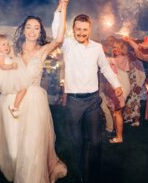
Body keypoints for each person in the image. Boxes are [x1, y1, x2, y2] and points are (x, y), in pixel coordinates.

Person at [0, 0, 68, 183]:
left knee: (32, 144)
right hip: (12, 100)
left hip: (34, 100)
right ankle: (17, 170)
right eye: (29, 26)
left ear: (40, 32)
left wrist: (62, 9)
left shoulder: (43, 50)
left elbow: (60, 37)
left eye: (36, 27)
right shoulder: (13, 48)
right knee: (15, 146)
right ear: (23, 29)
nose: (32, 31)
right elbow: (1, 64)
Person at [52, 12, 122, 182]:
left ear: (89, 30)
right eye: (78, 29)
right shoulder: (67, 44)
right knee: (77, 143)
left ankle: (94, 175)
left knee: (96, 142)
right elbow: (56, 33)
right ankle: (80, 175)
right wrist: (60, 10)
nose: (81, 32)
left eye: (85, 29)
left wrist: (117, 85)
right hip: (74, 101)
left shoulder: (96, 47)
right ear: (72, 29)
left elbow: (105, 68)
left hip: (92, 101)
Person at [0, 34, 27, 118]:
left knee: (22, 88)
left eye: (7, 44)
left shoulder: (4, 55)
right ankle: (14, 106)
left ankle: (15, 106)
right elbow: (2, 66)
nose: (6, 46)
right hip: (6, 77)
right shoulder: (0, 56)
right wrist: (11, 66)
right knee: (22, 88)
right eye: (3, 44)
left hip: (9, 76)